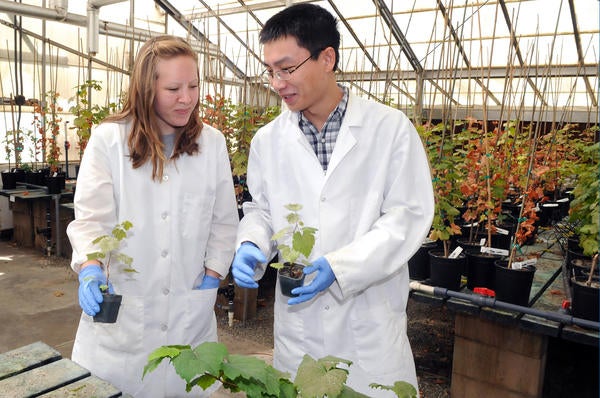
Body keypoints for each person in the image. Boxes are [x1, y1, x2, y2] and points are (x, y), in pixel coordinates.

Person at [231, 3, 434, 397]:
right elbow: (262, 210)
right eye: (270, 70)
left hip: (369, 330)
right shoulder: (267, 141)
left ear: (327, 58)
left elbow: (407, 216)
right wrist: (253, 243)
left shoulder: (390, 130)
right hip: (299, 336)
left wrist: (340, 268)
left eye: (287, 68)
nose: (277, 82)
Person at [66, 35, 239, 397]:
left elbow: (223, 221)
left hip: (189, 317)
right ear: (146, 89)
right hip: (123, 325)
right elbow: (91, 220)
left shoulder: (212, 144)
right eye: (173, 88)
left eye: (193, 86)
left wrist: (213, 275)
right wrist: (91, 268)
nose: (187, 98)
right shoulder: (109, 140)